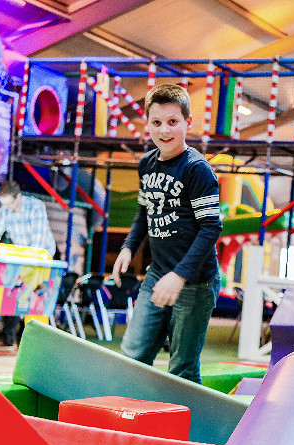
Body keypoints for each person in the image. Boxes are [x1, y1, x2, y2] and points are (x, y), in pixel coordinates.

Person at [111, 83, 222, 383]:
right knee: (133, 356)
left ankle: (189, 428)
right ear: (147, 124)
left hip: (196, 282)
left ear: (188, 122)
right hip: (158, 274)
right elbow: (144, 213)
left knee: (181, 369)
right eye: (156, 122)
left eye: (173, 122)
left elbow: (212, 227)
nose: (164, 130)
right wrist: (127, 248)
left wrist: (180, 275)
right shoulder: (147, 164)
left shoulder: (196, 169)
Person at [0, 180, 56, 352]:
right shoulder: (5, 210)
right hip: (21, 256)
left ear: (18, 197)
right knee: (11, 294)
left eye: (9, 203)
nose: (7, 208)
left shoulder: (35, 207)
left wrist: (29, 263)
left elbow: (38, 242)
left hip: (42, 256)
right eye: (4, 204)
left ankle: (28, 343)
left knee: (33, 298)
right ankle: (8, 339)